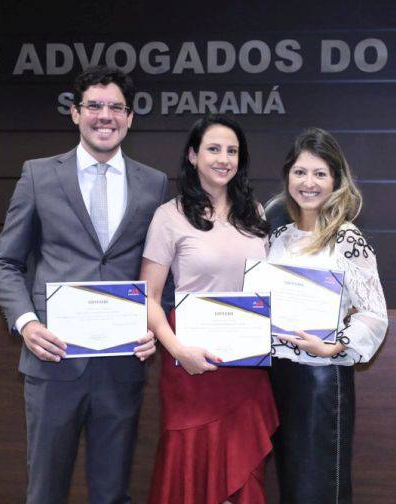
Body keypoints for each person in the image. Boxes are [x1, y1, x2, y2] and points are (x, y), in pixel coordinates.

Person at [0, 65, 166, 504]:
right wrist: (28, 325)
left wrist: (155, 333)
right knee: (46, 491)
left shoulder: (153, 184)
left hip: (122, 366)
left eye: (115, 107)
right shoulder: (38, 175)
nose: (104, 116)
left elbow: (162, 274)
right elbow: (6, 263)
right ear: (75, 113)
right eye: (94, 106)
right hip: (54, 361)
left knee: (112, 493)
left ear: (130, 117)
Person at [140, 114, 278, 504]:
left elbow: (266, 289)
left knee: (242, 467)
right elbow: (148, 297)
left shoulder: (256, 213)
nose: (224, 158)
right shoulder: (170, 216)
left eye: (232, 151)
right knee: (190, 468)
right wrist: (178, 349)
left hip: (245, 366)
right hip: (191, 363)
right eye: (213, 149)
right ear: (192, 155)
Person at [267, 128, 388, 503]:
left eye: (320, 173)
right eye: (300, 172)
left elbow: (373, 314)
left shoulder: (347, 239)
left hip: (321, 379)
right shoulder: (277, 238)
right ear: (288, 176)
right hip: (277, 377)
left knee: (318, 488)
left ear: (335, 180)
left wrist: (333, 347)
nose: (309, 183)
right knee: (290, 483)